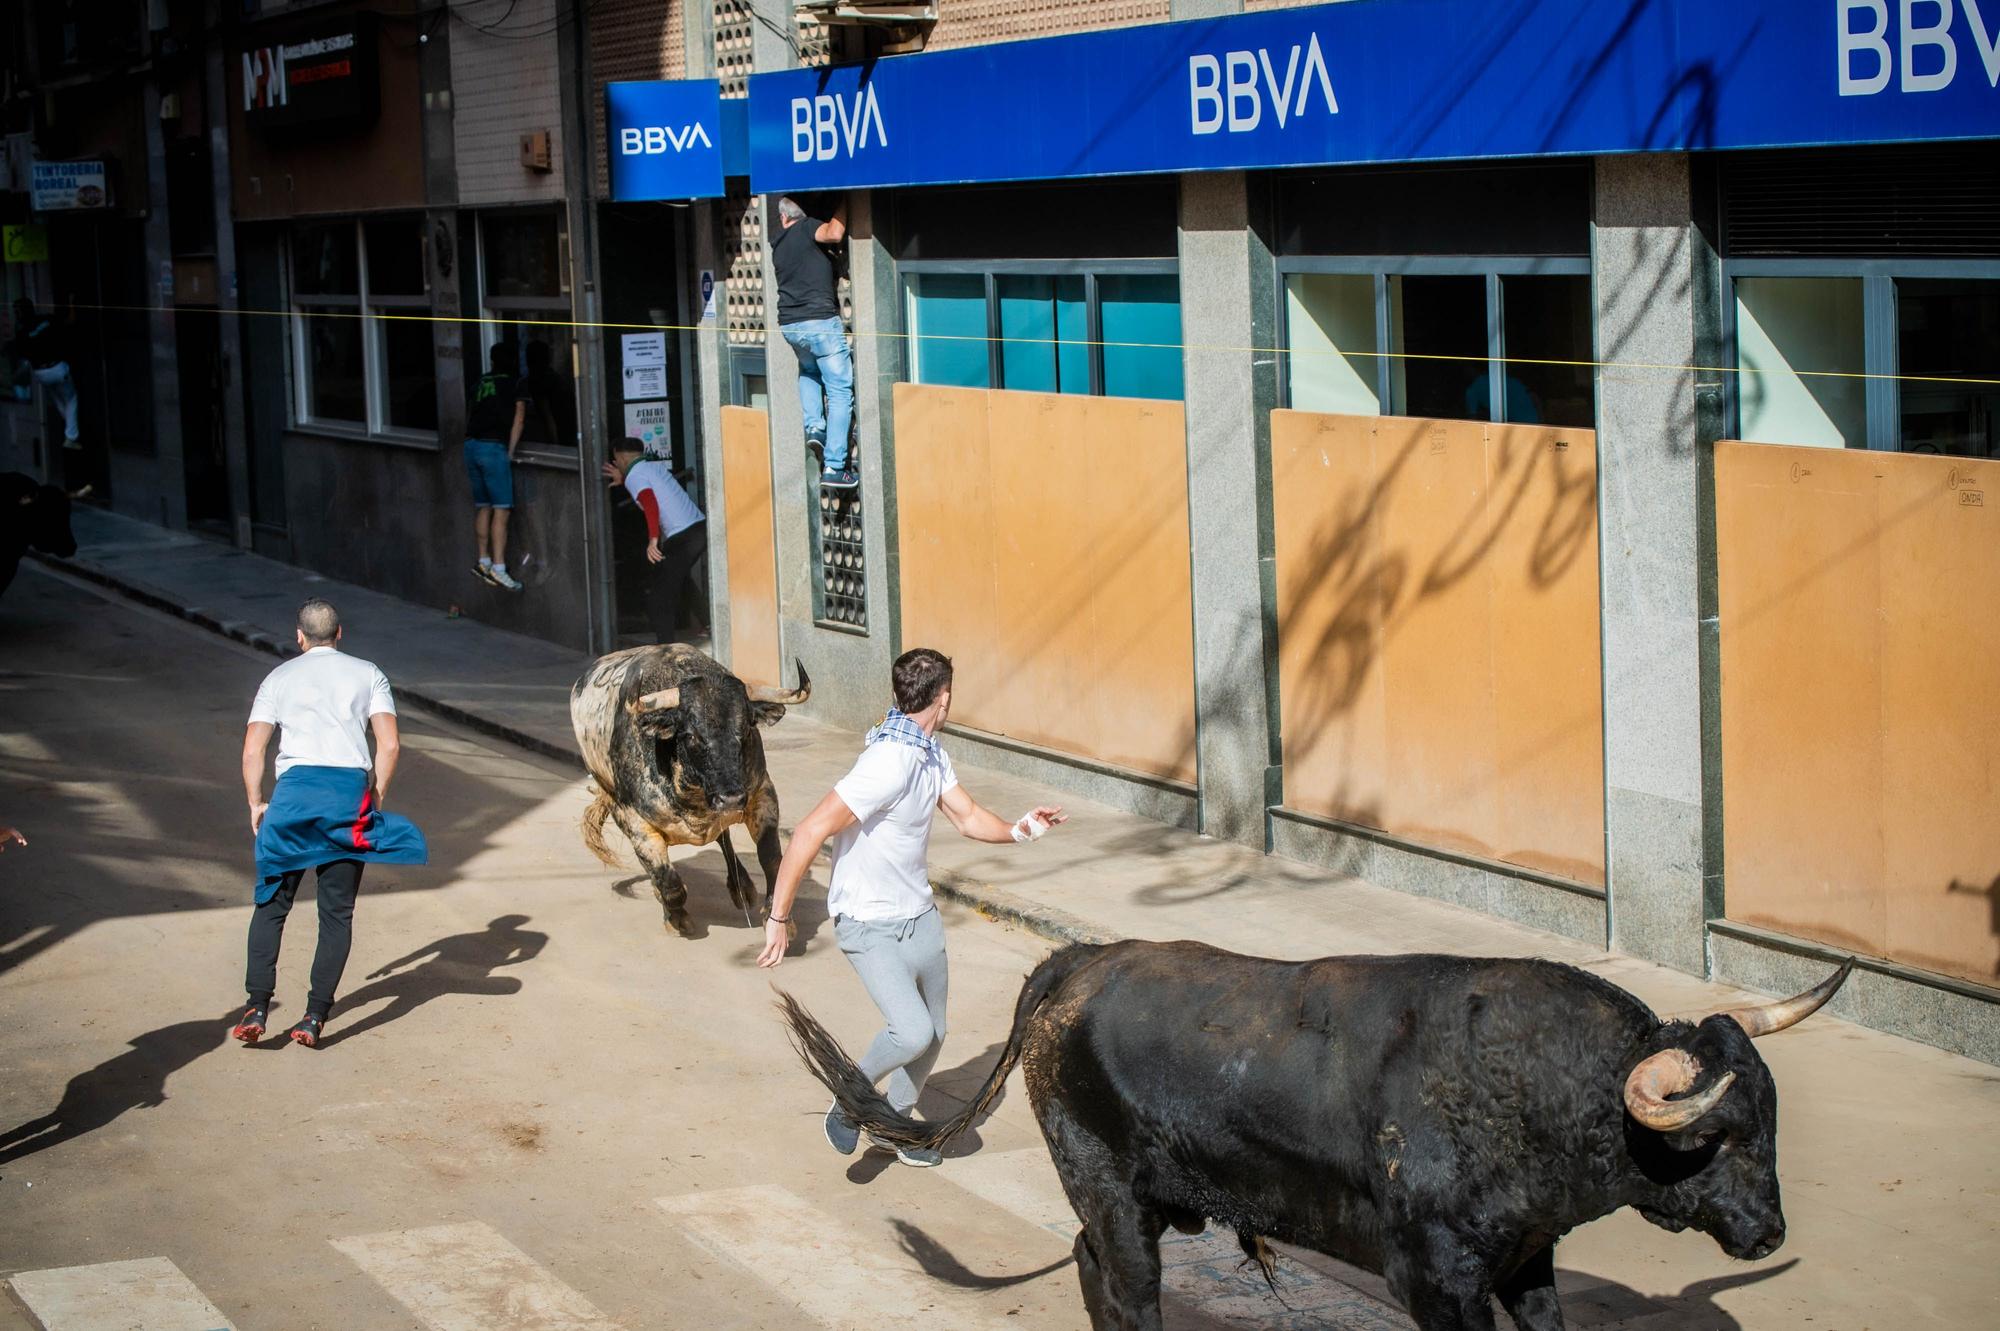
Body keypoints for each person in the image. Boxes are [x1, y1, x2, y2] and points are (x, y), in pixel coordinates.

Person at [757, 648, 1066, 1167]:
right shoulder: (888, 762)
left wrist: (1021, 830)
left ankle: (894, 1123)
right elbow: (810, 830)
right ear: (943, 698)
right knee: (911, 1029)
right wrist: (779, 917)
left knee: (935, 1032)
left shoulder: (927, 750)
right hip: (868, 921)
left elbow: (966, 817)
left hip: (917, 914)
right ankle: (854, 1099)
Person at [234, 598, 428, 1048]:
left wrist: (256, 803)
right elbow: (390, 745)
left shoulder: (277, 678)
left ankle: (257, 1006)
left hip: (293, 801)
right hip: (346, 799)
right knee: (336, 913)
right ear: (340, 634)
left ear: (298, 636)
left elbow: (252, 750)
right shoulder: (368, 673)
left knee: (271, 905)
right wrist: (374, 797)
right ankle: (314, 1017)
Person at [772, 196, 858, 491]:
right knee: (839, 390)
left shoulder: (778, 244)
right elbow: (834, 232)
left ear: (783, 218)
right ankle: (835, 466)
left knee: (809, 371)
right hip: (819, 322)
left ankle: (814, 426)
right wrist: (846, 201)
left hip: (790, 325)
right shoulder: (807, 227)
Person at [601, 438, 708, 643]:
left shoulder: (634, 475)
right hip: (697, 530)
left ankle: (665, 648)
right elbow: (654, 492)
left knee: (659, 595)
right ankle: (708, 622)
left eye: (616, 459)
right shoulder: (651, 467)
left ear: (621, 457)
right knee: (679, 578)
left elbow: (650, 504)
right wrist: (624, 480)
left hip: (683, 537)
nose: (617, 463)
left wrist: (653, 540)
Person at [465, 342, 530, 590]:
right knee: (502, 510)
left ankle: (483, 561)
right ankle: (499, 568)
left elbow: (471, 411)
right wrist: (510, 451)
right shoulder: (516, 382)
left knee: (483, 507)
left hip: (470, 446)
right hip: (493, 448)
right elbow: (520, 417)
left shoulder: (481, 381)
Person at [8, 298, 79, 449]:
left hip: (41, 373)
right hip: (57, 368)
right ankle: (71, 437)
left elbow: (21, 353)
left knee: (60, 400)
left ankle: (70, 427)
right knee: (71, 399)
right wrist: (72, 302)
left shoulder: (22, 332)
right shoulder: (47, 320)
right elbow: (70, 321)